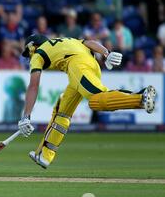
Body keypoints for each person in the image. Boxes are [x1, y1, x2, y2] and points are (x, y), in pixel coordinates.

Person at [18, 34, 156, 169]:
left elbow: (33, 86)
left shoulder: (38, 54)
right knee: (62, 111)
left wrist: (26, 116)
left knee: (96, 100)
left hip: (77, 66)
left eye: (28, 53)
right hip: (91, 65)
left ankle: (140, 97)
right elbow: (89, 42)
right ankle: (44, 155)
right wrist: (106, 53)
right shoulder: (64, 41)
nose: (28, 57)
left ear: (33, 46)